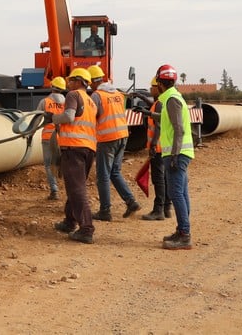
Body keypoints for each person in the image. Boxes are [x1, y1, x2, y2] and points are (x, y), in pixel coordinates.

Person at [49, 67, 98, 244]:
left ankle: (86, 229)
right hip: (88, 148)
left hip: (73, 148)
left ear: (78, 81)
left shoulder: (73, 95)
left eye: (71, 80)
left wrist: (52, 118)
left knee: (77, 189)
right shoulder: (91, 100)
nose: (68, 83)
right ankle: (70, 221)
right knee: (74, 185)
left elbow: (69, 117)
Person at [86, 65, 140, 221]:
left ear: (92, 82)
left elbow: (92, 117)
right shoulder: (117, 93)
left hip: (108, 139)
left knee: (103, 175)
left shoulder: (97, 96)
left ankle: (105, 211)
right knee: (114, 172)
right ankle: (131, 202)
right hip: (122, 136)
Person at [154, 64, 195, 250]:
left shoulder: (171, 99)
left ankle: (184, 235)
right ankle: (182, 230)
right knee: (181, 193)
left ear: (159, 82)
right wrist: (150, 114)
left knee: (176, 193)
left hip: (176, 154)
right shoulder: (173, 98)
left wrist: (175, 155)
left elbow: (179, 129)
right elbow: (170, 122)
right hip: (180, 153)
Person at [141, 76, 172, 221]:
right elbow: (153, 106)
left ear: (158, 88)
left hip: (158, 148)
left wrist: (153, 145)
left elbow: (158, 127)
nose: (150, 90)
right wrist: (141, 97)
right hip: (163, 148)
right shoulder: (161, 102)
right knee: (164, 178)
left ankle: (158, 210)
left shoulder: (159, 104)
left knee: (158, 179)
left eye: (151, 87)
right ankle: (166, 208)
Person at [36, 76, 66, 200]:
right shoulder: (67, 102)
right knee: (63, 163)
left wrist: (28, 131)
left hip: (48, 137)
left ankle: (54, 191)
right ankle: (69, 189)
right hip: (63, 138)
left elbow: (36, 119)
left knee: (49, 165)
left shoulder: (45, 102)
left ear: (52, 87)